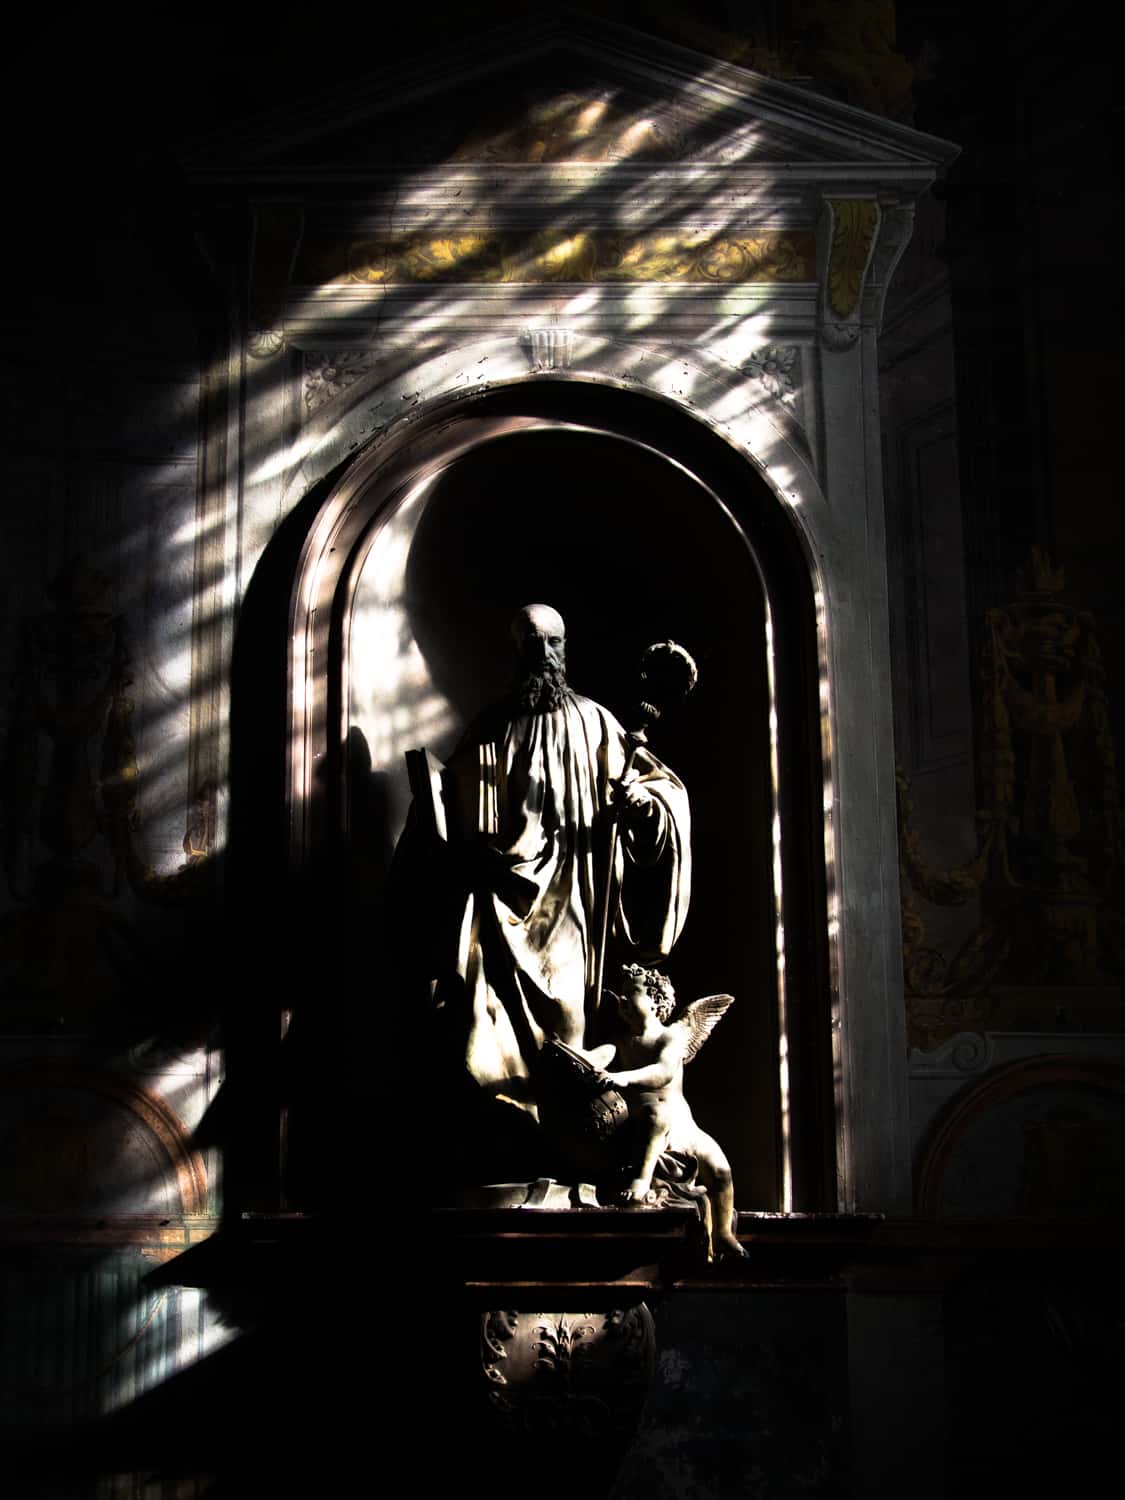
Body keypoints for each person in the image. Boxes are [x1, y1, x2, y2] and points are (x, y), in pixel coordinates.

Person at [401, 603, 691, 1130]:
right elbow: (449, 812)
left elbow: (663, 796)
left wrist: (640, 806)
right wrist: (453, 831)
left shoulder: (596, 721)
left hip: (574, 896)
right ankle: (510, 1121)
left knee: (567, 1010)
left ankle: (568, 1129)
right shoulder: (491, 726)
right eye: (530, 643)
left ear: (565, 649)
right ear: (515, 651)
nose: (542, 654)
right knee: (479, 1012)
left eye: (551, 642)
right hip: (502, 894)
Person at [588, 963, 744, 1260]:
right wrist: (579, 1056)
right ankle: (641, 1181)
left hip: (683, 1126)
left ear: (657, 1001)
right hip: (647, 1122)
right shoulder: (622, 1042)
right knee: (655, 1117)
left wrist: (623, 1077)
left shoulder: (671, 1037)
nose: (622, 999)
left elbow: (662, 1072)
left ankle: (723, 1233)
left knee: (721, 1170)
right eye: (621, 993)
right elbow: (599, 1056)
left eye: (632, 992)